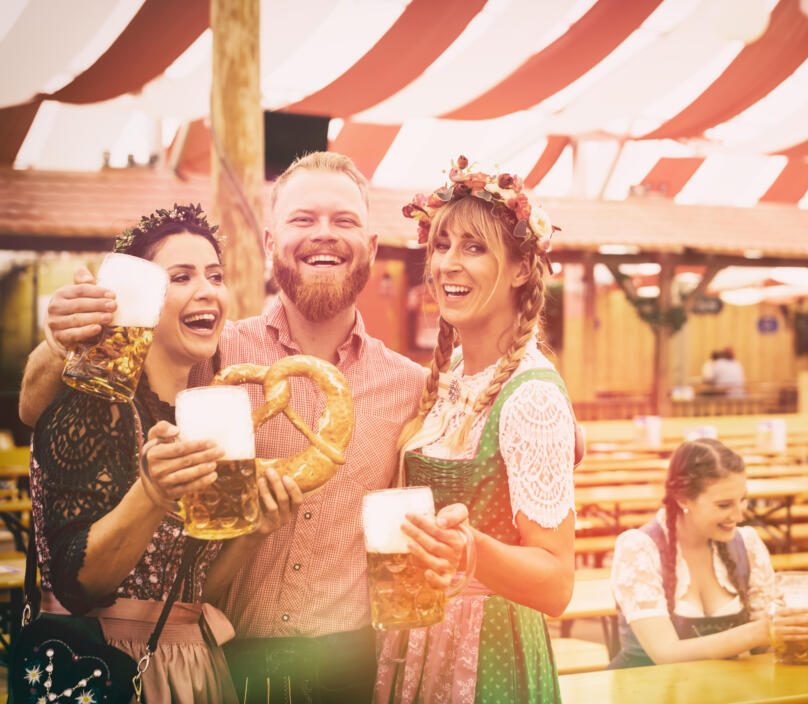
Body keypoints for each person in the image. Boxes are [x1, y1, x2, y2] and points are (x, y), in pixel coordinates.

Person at [19, 153, 468, 704]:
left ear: (371, 246)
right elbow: (42, 404)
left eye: (344, 220)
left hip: (348, 663)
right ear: (271, 241)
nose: (323, 234)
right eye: (303, 219)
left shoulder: (409, 386)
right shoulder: (207, 352)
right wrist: (59, 336)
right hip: (224, 659)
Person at [24, 205, 302, 703]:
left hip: (190, 666)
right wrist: (151, 494)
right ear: (142, 298)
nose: (208, 290)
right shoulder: (100, 403)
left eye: (215, 276)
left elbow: (193, 590)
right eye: (181, 276)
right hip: (107, 669)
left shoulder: (196, 415)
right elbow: (75, 585)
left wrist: (254, 534)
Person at [373, 158, 576, 703]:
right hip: (415, 640)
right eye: (441, 246)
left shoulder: (531, 396)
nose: (448, 264)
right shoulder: (451, 376)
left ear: (518, 270)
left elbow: (557, 584)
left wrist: (467, 549)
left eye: (474, 247)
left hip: (489, 655)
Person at [608, 438, 808, 667]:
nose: (739, 516)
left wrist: (787, 630)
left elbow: (762, 649)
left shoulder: (747, 544)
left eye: (743, 500)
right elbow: (665, 654)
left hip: (723, 692)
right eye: (724, 505)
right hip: (649, 693)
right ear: (682, 499)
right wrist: (762, 631)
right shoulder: (639, 548)